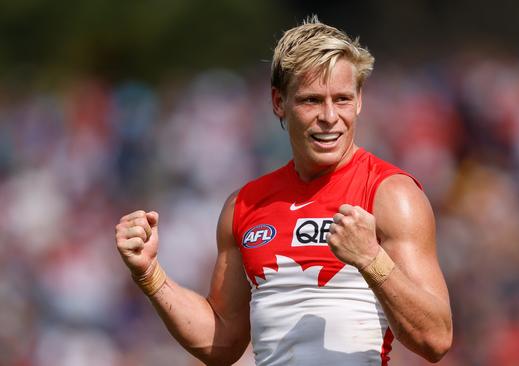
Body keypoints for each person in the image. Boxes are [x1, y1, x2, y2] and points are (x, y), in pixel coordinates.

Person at [114, 16, 452, 365]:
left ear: (360, 101)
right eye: (311, 100)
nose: (329, 116)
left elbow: (436, 338)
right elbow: (223, 341)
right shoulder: (245, 205)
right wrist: (149, 274)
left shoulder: (391, 195)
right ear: (279, 102)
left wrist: (372, 260)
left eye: (342, 99)